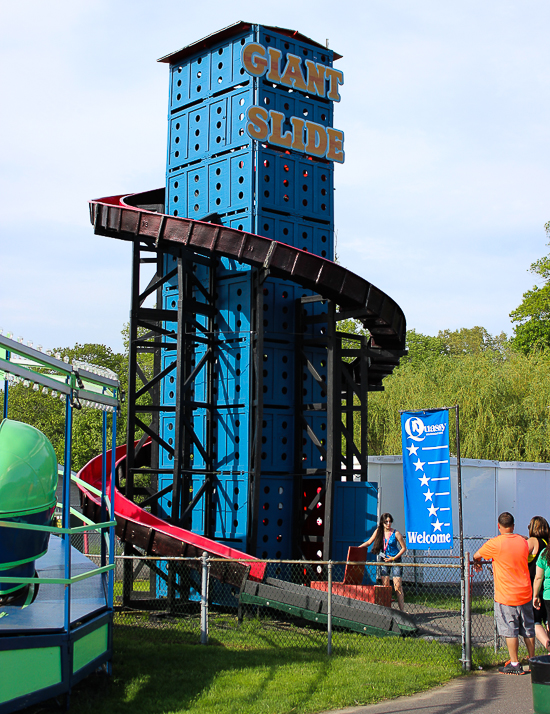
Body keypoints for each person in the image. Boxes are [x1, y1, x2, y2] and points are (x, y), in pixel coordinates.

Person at [473, 512, 535, 675]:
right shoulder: (523, 542)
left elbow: (476, 555)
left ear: (499, 526)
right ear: (513, 526)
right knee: (528, 628)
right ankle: (533, 660)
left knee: (510, 629)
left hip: (506, 595)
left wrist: (477, 562)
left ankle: (514, 663)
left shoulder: (495, 544)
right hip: (525, 591)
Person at [360, 512, 406, 611]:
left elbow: (403, 548)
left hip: (395, 560)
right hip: (384, 560)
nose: (388, 524)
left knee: (397, 585)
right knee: (385, 585)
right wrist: (359, 547)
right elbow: (369, 542)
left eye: (390, 521)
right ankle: (387, 609)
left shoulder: (396, 533)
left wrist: (393, 558)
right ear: (382, 523)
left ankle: (402, 611)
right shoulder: (378, 531)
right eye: (386, 522)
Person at [527, 516, 550, 650]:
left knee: (535, 621)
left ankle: (548, 647)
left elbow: (521, 552)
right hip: (545, 587)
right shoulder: (546, 543)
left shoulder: (533, 541)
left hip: (535, 586)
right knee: (547, 619)